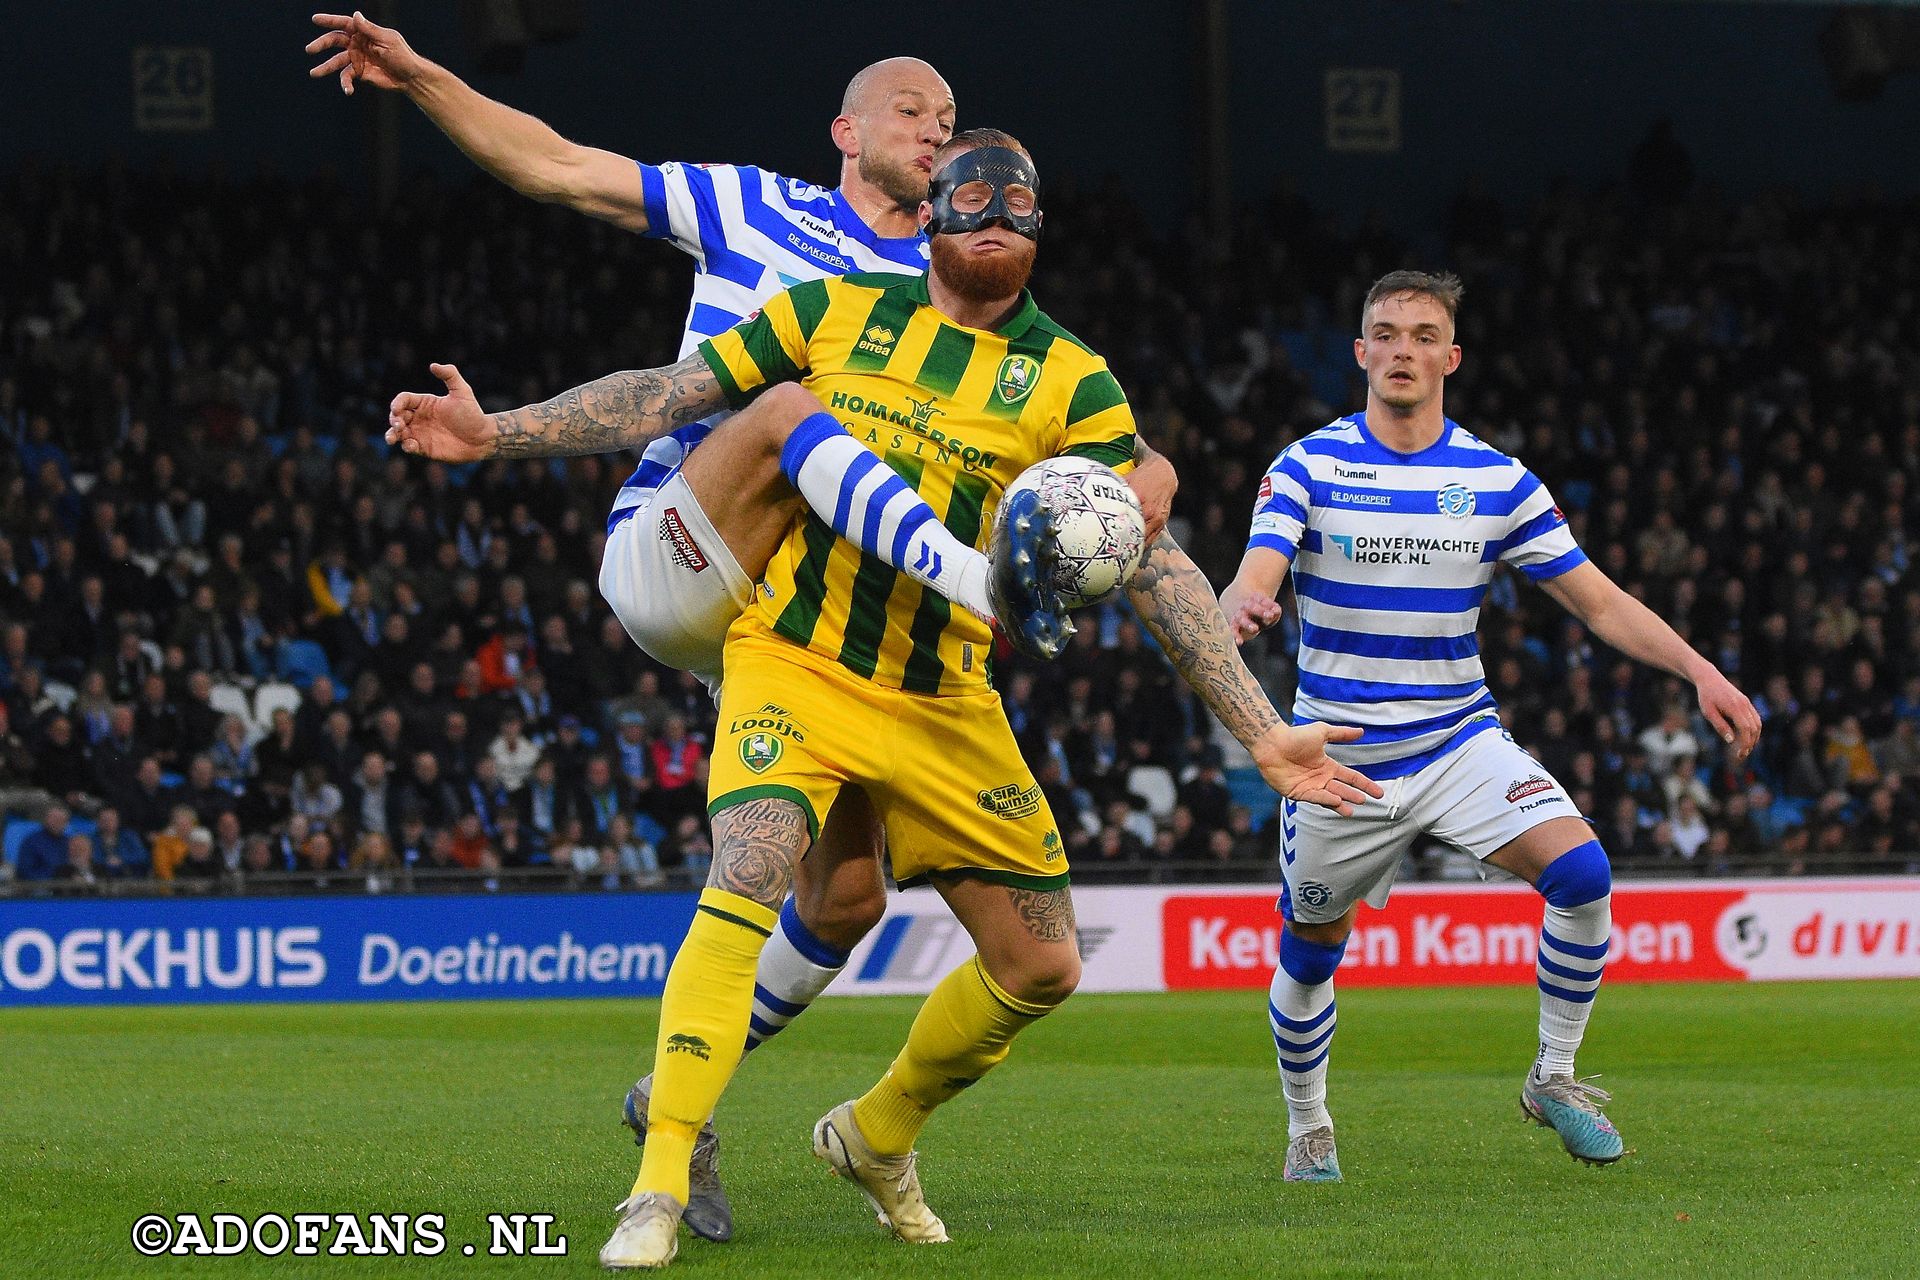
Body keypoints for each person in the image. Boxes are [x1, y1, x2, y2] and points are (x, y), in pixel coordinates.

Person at [401, 128, 1380, 1268]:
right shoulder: (832, 307)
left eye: (1024, 199)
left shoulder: (1074, 377)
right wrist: (499, 432)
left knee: (1043, 964)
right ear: (934, 213)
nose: (1000, 207)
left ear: (1038, 232)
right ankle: (658, 1175)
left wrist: (1261, 730)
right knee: (754, 861)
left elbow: (1147, 552)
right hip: (797, 656)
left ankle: (875, 1133)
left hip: (943, 694)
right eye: (975, 188)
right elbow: (667, 394)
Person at [328, 12, 1171, 1243]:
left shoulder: (962, 285)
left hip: (806, 625)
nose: (938, 128)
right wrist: (421, 79)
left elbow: (1112, 459)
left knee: (839, 901)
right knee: (788, 406)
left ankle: (679, 1100)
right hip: (686, 545)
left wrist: (1143, 491)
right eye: (910, 109)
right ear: (844, 131)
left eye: (951, 117)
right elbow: (555, 162)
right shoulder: (757, 210)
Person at [1220, 270, 1763, 1179]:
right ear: (1359, 353)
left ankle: (1552, 1079)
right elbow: (1257, 567)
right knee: (1311, 953)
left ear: (1451, 357)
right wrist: (1245, 599)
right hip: (1336, 760)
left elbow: (1596, 602)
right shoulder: (1308, 464)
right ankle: (1309, 1125)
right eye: (1385, 334)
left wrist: (1700, 669)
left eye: (1423, 335)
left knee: (1584, 874)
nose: (1402, 350)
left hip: (1459, 740)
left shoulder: (1495, 478)